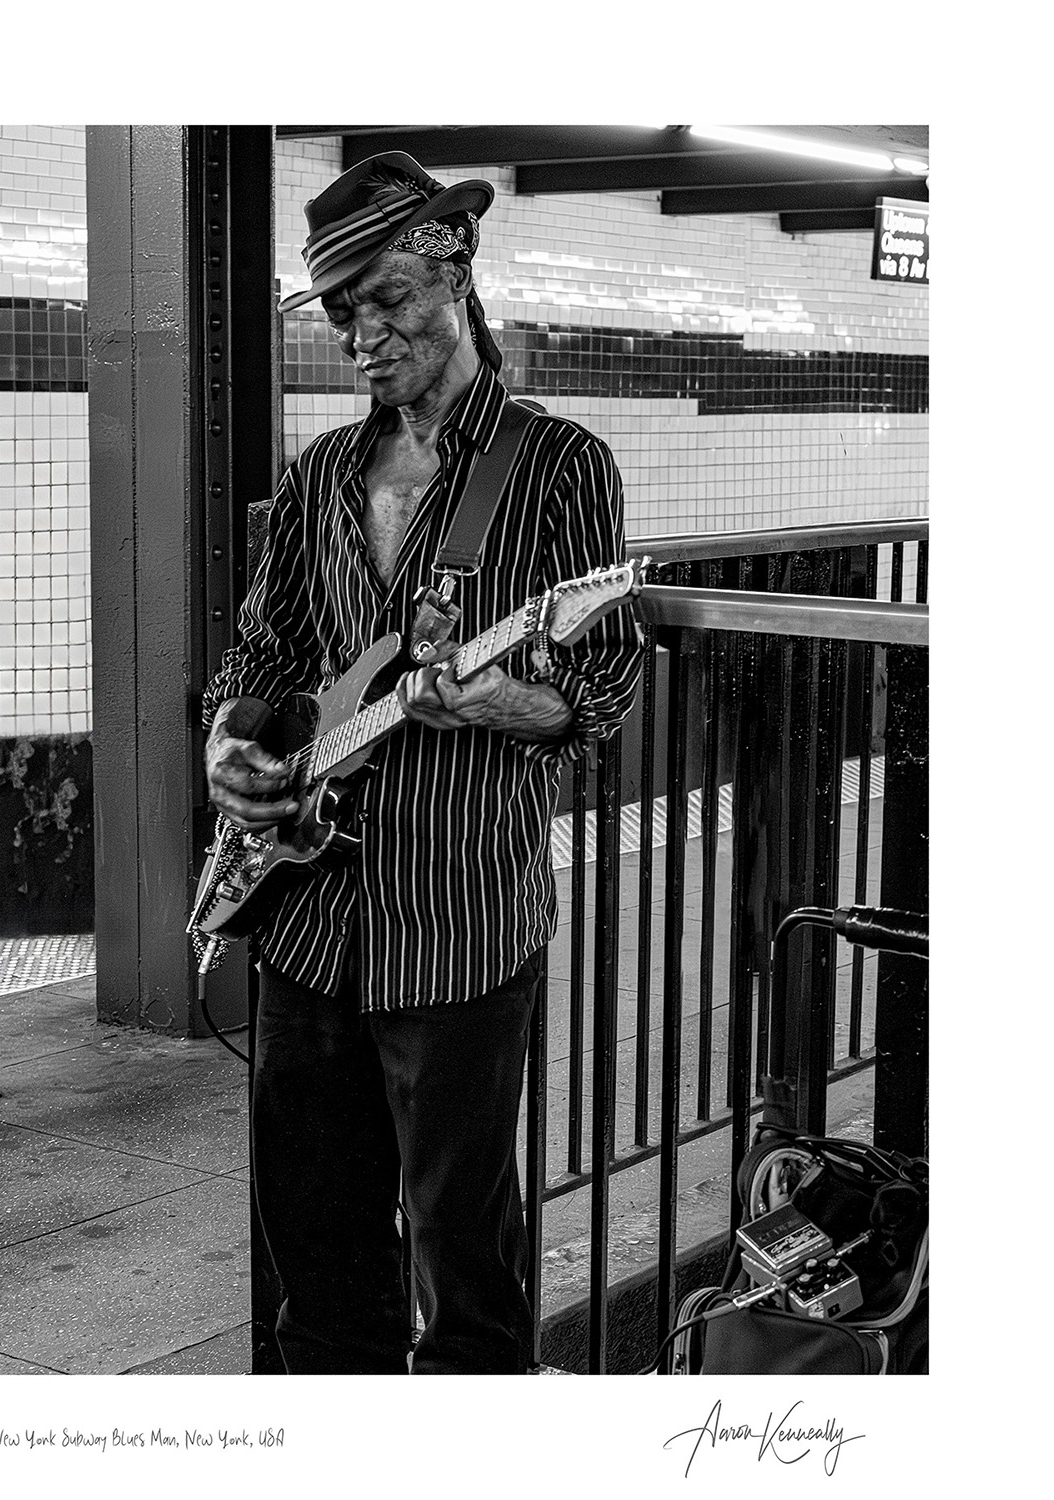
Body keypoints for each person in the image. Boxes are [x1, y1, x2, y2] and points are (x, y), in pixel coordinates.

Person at [201, 151, 644, 1374]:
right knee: (314, 1249)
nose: (363, 333)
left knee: (464, 1259)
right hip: (303, 917)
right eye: (343, 310)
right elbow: (264, 653)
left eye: (387, 296)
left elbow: (602, 678)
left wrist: (511, 700)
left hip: (458, 917)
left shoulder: (558, 466)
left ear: (455, 268)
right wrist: (229, 749)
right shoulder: (319, 479)